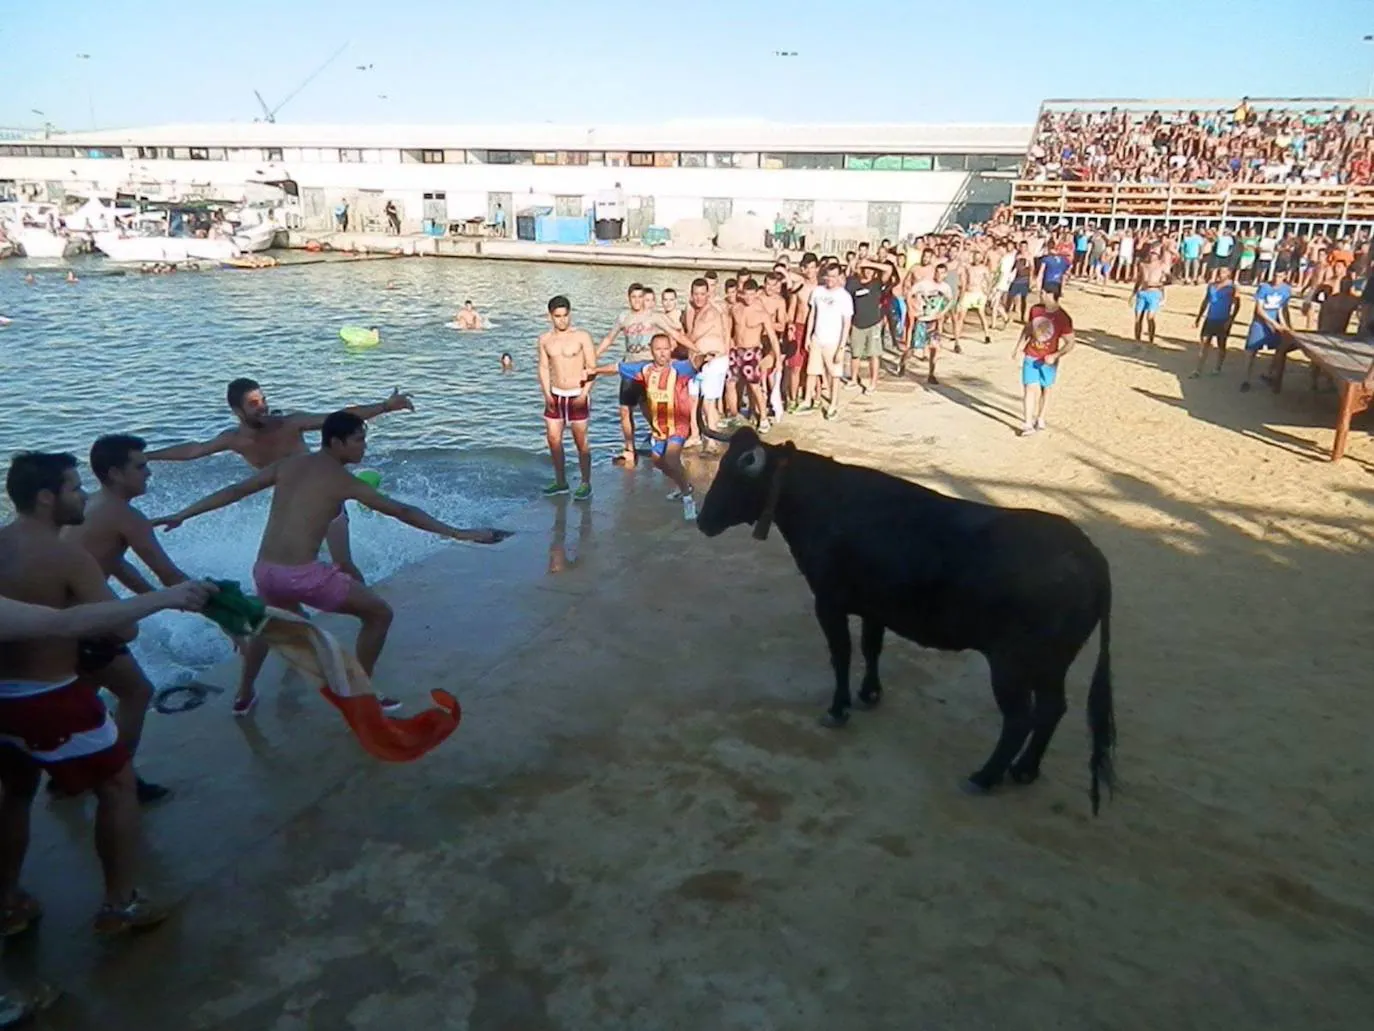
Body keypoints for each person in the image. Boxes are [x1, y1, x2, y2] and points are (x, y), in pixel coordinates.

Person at [153, 412, 508, 715]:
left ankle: (243, 696)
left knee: (266, 625)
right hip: (299, 577)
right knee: (379, 614)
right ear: (335, 443)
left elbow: (234, 492)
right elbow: (402, 510)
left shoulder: (289, 465)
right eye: (357, 440)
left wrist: (183, 514)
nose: (363, 447)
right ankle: (361, 694)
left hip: (265, 571)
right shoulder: (341, 480)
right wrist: (458, 533)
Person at [0, 453, 205, 938]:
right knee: (116, 786)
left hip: (3, 700)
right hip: (51, 697)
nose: (83, 497)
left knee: (16, 793)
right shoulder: (68, 556)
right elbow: (125, 627)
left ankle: (8, 902)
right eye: (74, 489)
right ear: (47, 498)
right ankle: (119, 904)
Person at [145, 379, 416, 712]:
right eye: (253, 403)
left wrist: (385, 407)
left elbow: (339, 418)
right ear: (236, 411)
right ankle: (257, 684)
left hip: (327, 503)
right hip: (294, 510)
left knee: (342, 565)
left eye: (263, 399)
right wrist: (147, 455)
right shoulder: (235, 440)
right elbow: (193, 451)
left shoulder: (291, 423)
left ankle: (361, 616)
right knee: (271, 616)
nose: (263, 407)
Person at [62, 434, 193, 803]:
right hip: (85, 622)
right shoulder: (126, 515)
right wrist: (223, 605)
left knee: (83, 692)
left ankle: (67, 776)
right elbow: (170, 576)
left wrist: (153, 598)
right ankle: (120, 779)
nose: (149, 473)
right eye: (141, 466)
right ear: (116, 473)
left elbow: (113, 561)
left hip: (61, 619)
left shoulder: (94, 505)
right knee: (137, 692)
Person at [586, 335, 698, 521]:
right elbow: (617, 368)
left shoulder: (679, 368)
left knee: (671, 457)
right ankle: (683, 484)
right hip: (659, 428)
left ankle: (688, 498)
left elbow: (695, 364)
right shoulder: (644, 369)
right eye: (658, 349)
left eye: (665, 349)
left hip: (678, 423)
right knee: (658, 461)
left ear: (670, 349)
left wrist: (705, 357)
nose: (662, 353)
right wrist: (594, 370)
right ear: (651, 351)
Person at [597, 283, 687, 466]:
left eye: (640, 297)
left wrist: (693, 349)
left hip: (647, 368)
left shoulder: (652, 317)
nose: (637, 301)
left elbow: (675, 333)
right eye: (633, 297)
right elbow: (609, 338)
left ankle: (661, 435)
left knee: (648, 408)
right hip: (629, 368)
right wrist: (594, 356)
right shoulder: (624, 317)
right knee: (624, 410)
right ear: (628, 298)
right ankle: (629, 449)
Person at [538, 295, 597, 501]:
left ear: (570, 314)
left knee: (580, 441)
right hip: (555, 393)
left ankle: (585, 482)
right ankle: (561, 481)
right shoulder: (545, 339)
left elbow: (592, 368)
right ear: (550, 316)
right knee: (554, 439)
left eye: (565, 315)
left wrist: (584, 393)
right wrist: (546, 394)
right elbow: (544, 367)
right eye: (557, 316)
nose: (562, 320)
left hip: (576, 394)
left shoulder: (581, 336)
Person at [1013, 291, 1075, 436]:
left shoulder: (1063, 318)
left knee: (1046, 389)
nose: (1040, 294)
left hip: (1048, 359)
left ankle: (1040, 417)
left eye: (1043, 292)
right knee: (1029, 388)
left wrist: (1056, 354)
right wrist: (1019, 347)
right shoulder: (1035, 310)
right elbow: (1028, 329)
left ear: (1050, 294)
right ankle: (1027, 423)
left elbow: (1070, 342)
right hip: (1031, 355)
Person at [804, 263, 854, 419]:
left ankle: (833, 404)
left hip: (833, 341)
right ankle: (807, 401)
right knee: (812, 371)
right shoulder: (817, 291)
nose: (830, 279)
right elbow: (812, 314)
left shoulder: (844, 296)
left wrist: (842, 347)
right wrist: (808, 336)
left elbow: (847, 323)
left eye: (834, 276)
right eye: (828, 276)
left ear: (839, 277)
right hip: (817, 338)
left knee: (835, 374)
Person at [1241, 270, 1293, 392]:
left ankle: (1271, 374)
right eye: (1275, 275)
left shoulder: (1286, 290)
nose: (1277, 279)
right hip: (1260, 323)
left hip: (1274, 321)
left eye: (1280, 276)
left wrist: (1285, 325)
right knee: (1251, 350)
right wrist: (1274, 323)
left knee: (1280, 349)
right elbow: (1259, 310)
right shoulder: (1264, 287)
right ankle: (1246, 379)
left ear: (1284, 276)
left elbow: (1282, 309)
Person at [906, 264, 953, 385]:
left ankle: (931, 374)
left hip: (934, 322)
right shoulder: (925, 284)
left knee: (934, 348)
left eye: (942, 273)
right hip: (922, 320)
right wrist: (911, 308)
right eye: (937, 272)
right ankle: (902, 363)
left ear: (945, 274)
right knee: (914, 349)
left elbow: (950, 300)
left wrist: (943, 312)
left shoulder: (945, 287)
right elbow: (909, 293)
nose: (939, 275)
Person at [845, 261, 886, 394]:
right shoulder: (853, 283)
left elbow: (889, 269)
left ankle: (873, 382)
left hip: (873, 324)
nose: (868, 271)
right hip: (857, 323)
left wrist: (871, 263)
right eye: (866, 269)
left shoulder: (877, 283)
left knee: (873, 354)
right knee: (855, 354)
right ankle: (853, 379)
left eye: (871, 269)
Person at [1191, 267, 1240, 378]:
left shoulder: (1232, 288)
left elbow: (1236, 305)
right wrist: (1198, 318)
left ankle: (1218, 366)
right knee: (1204, 344)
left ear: (1228, 274)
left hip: (1223, 319)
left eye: (1223, 272)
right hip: (1210, 318)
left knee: (1221, 345)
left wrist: (1231, 320)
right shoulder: (1212, 286)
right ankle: (1198, 369)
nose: (1220, 274)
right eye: (1219, 271)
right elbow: (1205, 301)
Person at [1131, 247, 1169, 348]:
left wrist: (1162, 292)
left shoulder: (1162, 266)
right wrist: (1133, 294)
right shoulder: (1143, 265)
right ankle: (1137, 340)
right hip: (1142, 292)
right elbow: (1139, 280)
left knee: (1150, 317)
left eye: (1154, 253)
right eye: (1151, 253)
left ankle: (1151, 340)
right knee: (1138, 318)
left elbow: (1168, 281)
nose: (1152, 255)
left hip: (1154, 293)